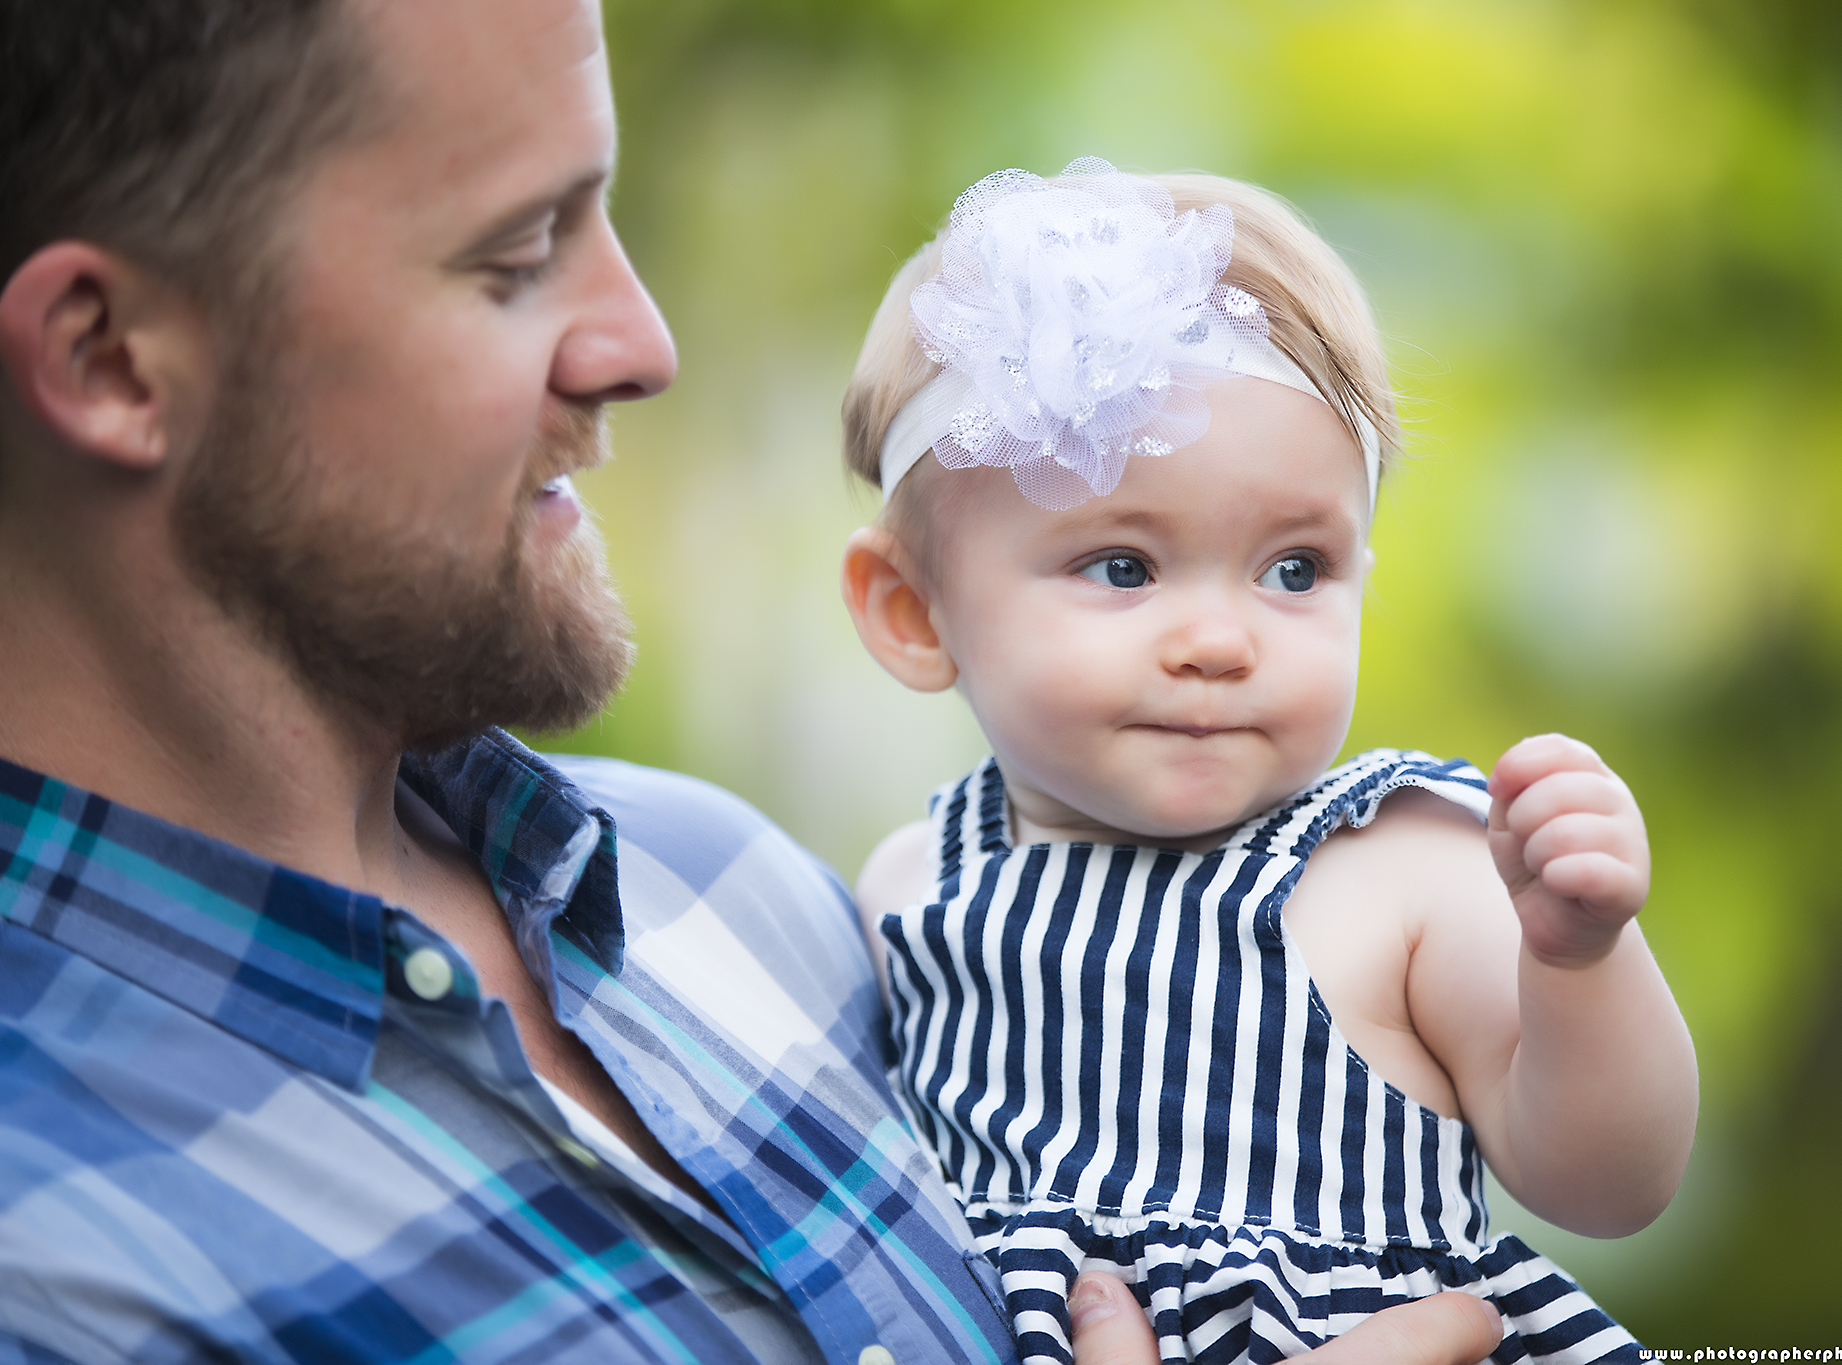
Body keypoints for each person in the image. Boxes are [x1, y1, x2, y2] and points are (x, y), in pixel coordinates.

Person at [0, 3, 1503, 1363]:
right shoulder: (52, 1276)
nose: (641, 343)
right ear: (116, 359)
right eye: (515, 260)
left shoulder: (739, 890)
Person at [838, 160, 1700, 1364]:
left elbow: (1612, 1185)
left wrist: (1580, 959)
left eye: (1293, 569)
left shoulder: (1400, 866)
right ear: (915, 611)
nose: (1217, 641)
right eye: (1123, 566)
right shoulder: (910, 887)